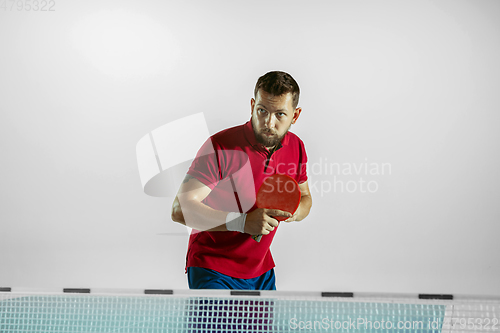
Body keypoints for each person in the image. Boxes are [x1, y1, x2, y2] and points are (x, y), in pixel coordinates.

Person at [171, 71, 312, 290]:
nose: (268, 122)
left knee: (262, 327)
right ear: (252, 105)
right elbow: (180, 210)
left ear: (295, 116)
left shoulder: (297, 147)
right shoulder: (220, 146)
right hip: (213, 268)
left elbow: (304, 197)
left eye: (280, 114)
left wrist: (295, 212)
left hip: (260, 270)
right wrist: (242, 222)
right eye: (262, 111)